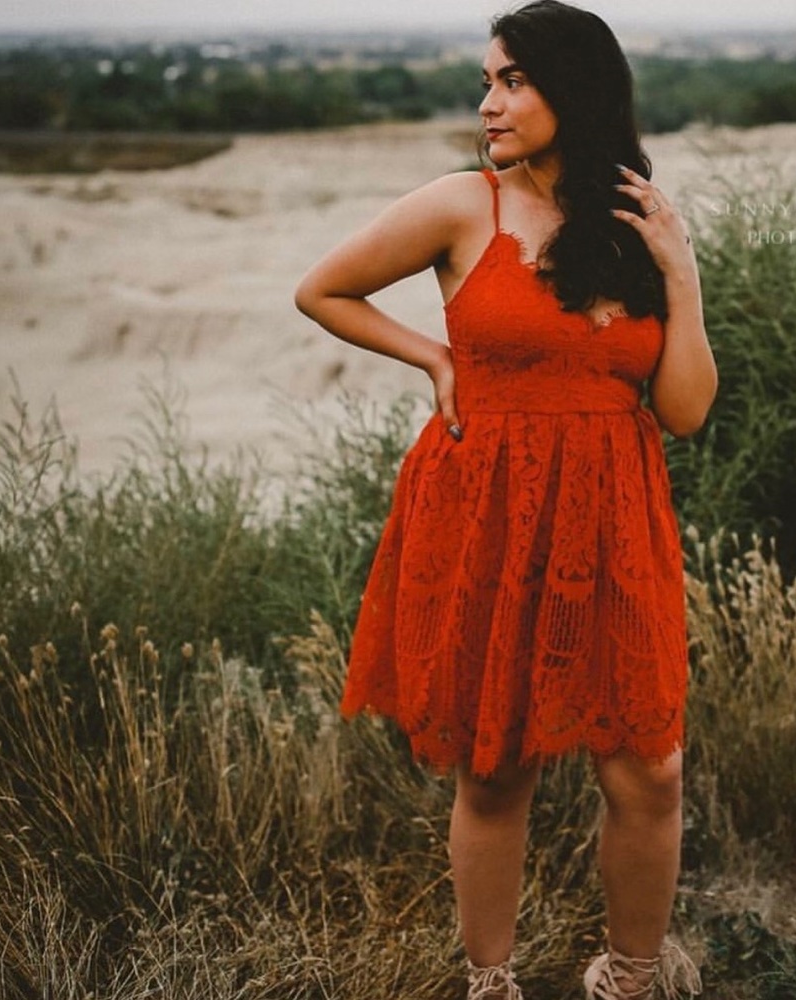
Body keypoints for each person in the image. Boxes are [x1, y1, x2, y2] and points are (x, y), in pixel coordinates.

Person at [295, 2, 717, 996]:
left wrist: (683, 280)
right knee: (495, 766)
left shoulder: (638, 225)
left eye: (511, 81)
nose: (488, 103)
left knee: (649, 770)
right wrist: (435, 356)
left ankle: (630, 973)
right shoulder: (462, 206)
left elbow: (686, 411)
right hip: (488, 506)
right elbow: (323, 290)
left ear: (575, 89)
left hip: (615, 516)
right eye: (486, 81)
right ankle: (492, 980)